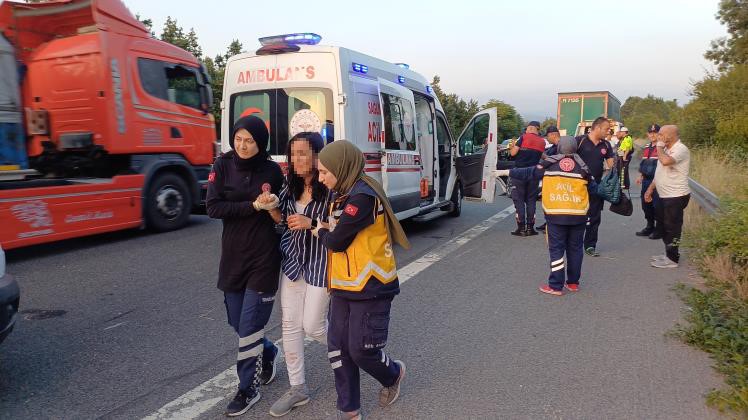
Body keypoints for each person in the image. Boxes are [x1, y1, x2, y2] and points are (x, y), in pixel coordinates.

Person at [314, 140, 411, 420]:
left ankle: (393, 374)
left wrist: (318, 231)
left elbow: (336, 241)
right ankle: (349, 410)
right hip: (344, 285)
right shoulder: (343, 192)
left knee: (361, 350)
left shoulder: (362, 197)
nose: (322, 178)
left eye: (324, 172)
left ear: (341, 167)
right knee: (338, 349)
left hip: (371, 285)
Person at [206, 115, 285, 416]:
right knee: (238, 323)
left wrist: (273, 205)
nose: (243, 145)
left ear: (260, 142)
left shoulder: (272, 170)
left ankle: (246, 389)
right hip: (233, 257)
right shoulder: (222, 165)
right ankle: (268, 351)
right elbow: (212, 207)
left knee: (250, 325)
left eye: (249, 141)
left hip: (264, 257)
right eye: (238, 139)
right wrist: (252, 206)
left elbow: (283, 212)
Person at [265, 132, 332, 417]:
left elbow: (340, 226)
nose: (296, 159)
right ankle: (298, 388)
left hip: (321, 263)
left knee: (314, 326)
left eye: (303, 153)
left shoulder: (330, 186)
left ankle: (352, 350)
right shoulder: (289, 186)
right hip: (293, 262)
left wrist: (311, 222)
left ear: (318, 155)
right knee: (290, 326)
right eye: (293, 154)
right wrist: (271, 208)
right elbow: (282, 219)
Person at [498, 136, 597, 295]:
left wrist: (502, 171)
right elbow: (593, 189)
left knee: (557, 250)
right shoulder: (583, 167)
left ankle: (555, 286)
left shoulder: (547, 165)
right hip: (579, 215)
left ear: (558, 148)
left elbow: (526, 172)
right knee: (575, 250)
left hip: (556, 215)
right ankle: (572, 283)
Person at [644, 125, 690, 269]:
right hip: (663, 194)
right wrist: (650, 189)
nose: (659, 137)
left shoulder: (680, 149)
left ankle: (673, 259)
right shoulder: (666, 150)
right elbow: (660, 172)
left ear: (670, 136)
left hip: (675, 195)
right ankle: (667, 254)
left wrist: (658, 147)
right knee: (663, 225)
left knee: (673, 227)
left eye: (661, 134)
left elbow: (665, 161)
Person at [575, 116, 614, 257]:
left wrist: (612, 178)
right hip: (577, 186)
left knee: (595, 217)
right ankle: (573, 242)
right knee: (576, 216)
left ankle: (590, 245)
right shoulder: (579, 141)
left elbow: (611, 165)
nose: (608, 131)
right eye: (606, 129)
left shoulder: (606, 145)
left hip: (596, 186)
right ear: (597, 128)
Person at [509, 121, 546, 236]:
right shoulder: (542, 141)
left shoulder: (523, 138)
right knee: (531, 200)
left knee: (519, 199)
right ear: (538, 129)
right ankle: (530, 228)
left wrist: (511, 148)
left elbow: (513, 153)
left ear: (530, 128)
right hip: (533, 174)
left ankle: (521, 228)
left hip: (519, 173)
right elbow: (543, 156)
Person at [635, 124, 663, 239]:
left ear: (659, 134)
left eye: (655, 132)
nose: (652, 134)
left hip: (657, 181)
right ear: (647, 134)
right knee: (646, 205)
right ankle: (649, 226)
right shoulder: (647, 146)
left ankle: (659, 229)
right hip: (646, 180)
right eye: (650, 132)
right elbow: (644, 162)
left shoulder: (662, 147)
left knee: (657, 206)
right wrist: (640, 175)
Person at [536, 125, 561, 232]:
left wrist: (542, 155)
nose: (546, 139)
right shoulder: (552, 147)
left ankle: (552, 225)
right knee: (548, 203)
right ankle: (548, 223)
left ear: (553, 134)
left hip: (558, 179)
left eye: (547, 136)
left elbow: (556, 160)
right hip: (549, 179)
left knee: (556, 204)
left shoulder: (561, 146)